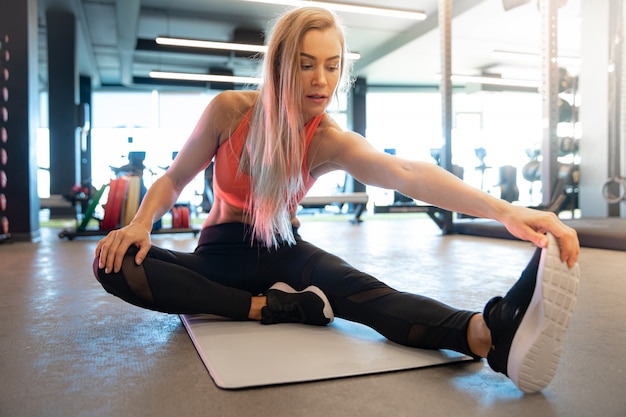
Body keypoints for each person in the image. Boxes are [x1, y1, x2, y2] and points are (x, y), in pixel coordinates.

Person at [93, 6, 580, 393]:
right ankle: (270, 308)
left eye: (331, 66)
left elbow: (404, 171)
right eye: (306, 65)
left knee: (369, 296)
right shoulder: (228, 111)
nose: (320, 80)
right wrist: (139, 224)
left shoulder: (324, 137)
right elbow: (175, 178)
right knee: (114, 263)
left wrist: (506, 210)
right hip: (218, 258)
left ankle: (492, 333)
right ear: (282, 64)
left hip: (287, 253)